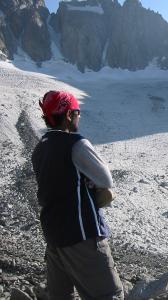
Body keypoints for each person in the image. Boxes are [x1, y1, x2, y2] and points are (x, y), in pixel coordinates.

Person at [31, 91, 123, 299]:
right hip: (81, 233)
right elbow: (105, 179)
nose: (79, 116)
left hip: (54, 236)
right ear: (69, 114)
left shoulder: (39, 150)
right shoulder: (75, 144)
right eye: (77, 112)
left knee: (62, 296)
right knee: (110, 294)